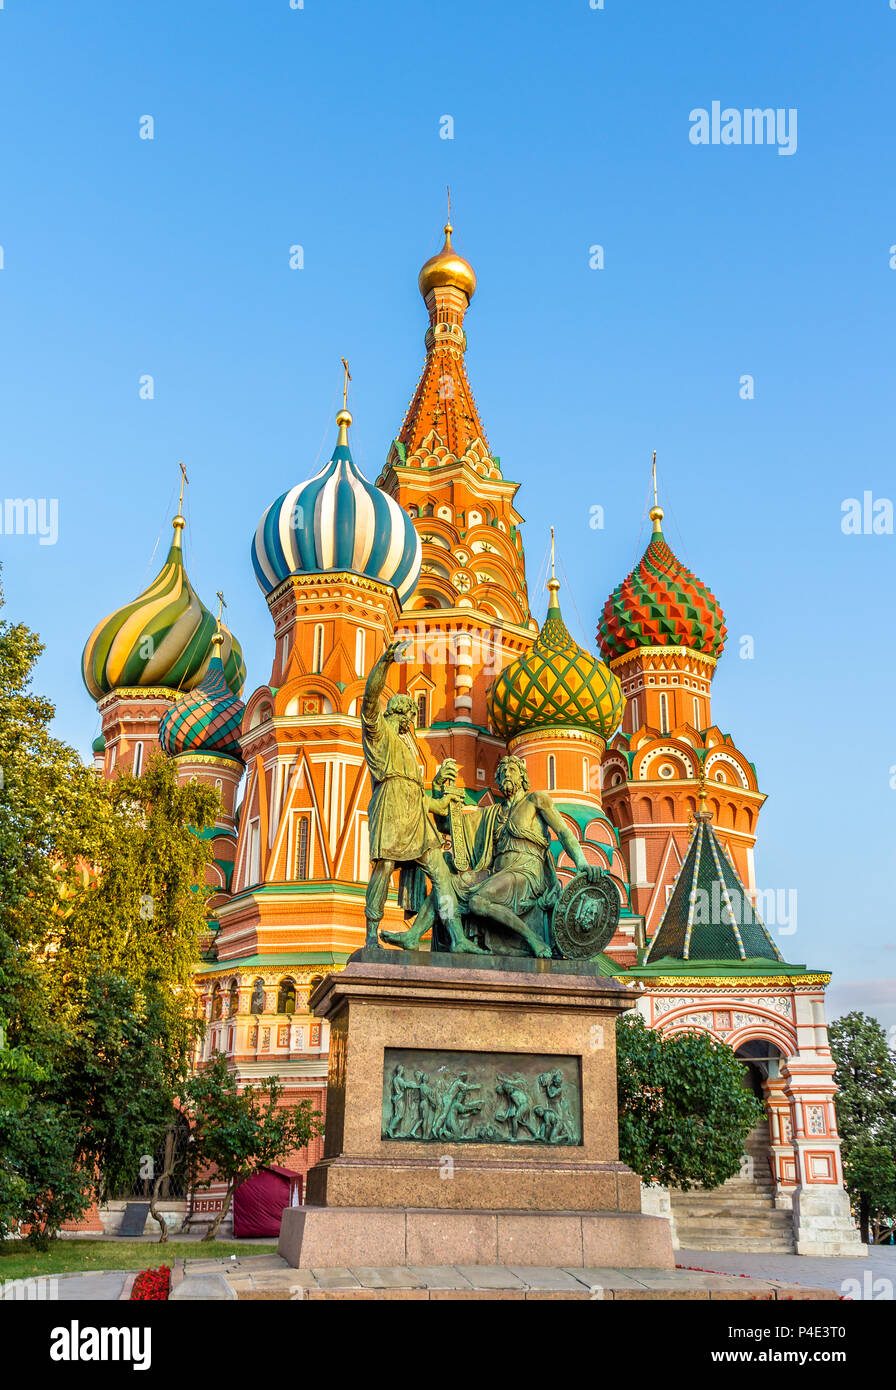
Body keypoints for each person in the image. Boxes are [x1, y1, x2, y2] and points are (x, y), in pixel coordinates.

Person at [361, 639, 483, 953]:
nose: (412, 721)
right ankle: (371, 934)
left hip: (415, 814)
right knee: (385, 867)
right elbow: (370, 700)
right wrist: (386, 661)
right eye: (410, 715)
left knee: (442, 873)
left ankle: (457, 938)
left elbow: (416, 793)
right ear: (398, 713)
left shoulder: (407, 743)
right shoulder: (380, 734)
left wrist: (438, 801)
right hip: (390, 808)